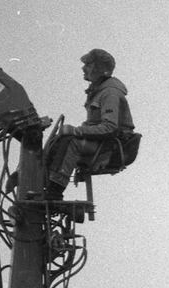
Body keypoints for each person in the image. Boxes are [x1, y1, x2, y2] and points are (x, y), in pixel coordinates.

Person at [45, 49, 136, 200]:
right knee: (57, 141)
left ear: (98, 68)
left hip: (111, 146)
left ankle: (54, 191)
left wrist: (76, 131)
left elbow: (110, 128)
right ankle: (43, 183)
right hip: (104, 142)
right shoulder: (99, 92)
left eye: (88, 64)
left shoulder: (110, 93)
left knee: (71, 143)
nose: (83, 68)